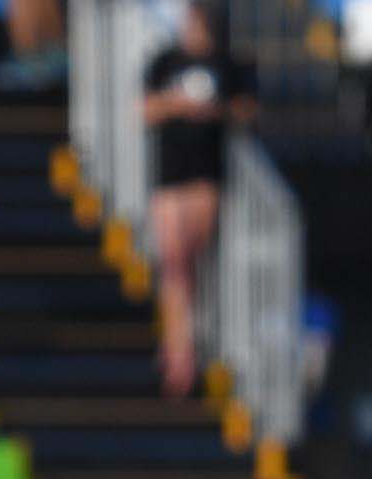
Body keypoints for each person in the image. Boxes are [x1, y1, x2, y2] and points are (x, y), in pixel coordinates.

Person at [143, 0, 253, 398]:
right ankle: (178, 353)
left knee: (194, 261)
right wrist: (177, 104)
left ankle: (187, 342)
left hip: (206, 174)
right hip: (171, 173)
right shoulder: (164, 61)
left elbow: (245, 109)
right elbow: (146, 108)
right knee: (173, 264)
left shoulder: (228, 64)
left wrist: (213, 110)